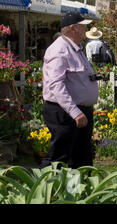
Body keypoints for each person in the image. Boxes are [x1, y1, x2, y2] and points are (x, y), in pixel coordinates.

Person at [41, 11, 98, 169]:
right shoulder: (59, 50)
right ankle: (46, 190)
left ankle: (81, 190)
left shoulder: (75, 48)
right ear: (73, 29)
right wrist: (75, 112)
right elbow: (56, 85)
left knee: (82, 156)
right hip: (65, 112)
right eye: (83, 26)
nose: (86, 29)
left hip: (78, 111)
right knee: (59, 157)